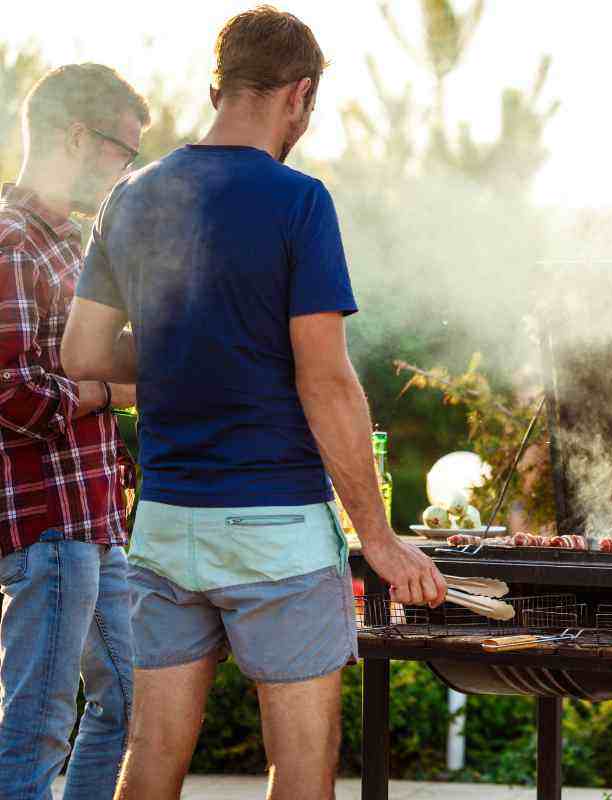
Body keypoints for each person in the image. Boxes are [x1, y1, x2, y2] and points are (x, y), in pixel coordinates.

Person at [61, 7, 447, 799]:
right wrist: (377, 538)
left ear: (217, 88)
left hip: (165, 524)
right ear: (299, 96)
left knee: (154, 750)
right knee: (301, 763)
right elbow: (327, 380)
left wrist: (179, 354)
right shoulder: (297, 201)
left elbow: (85, 355)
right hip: (276, 529)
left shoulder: (131, 198)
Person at [0, 64, 146, 800]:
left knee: (130, 704)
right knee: (36, 731)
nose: (130, 173)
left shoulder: (73, 245)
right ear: (77, 136)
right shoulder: (12, 241)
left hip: (94, 522)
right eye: (126, 152)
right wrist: (104, 390)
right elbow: (10, 393)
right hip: (47, 527)